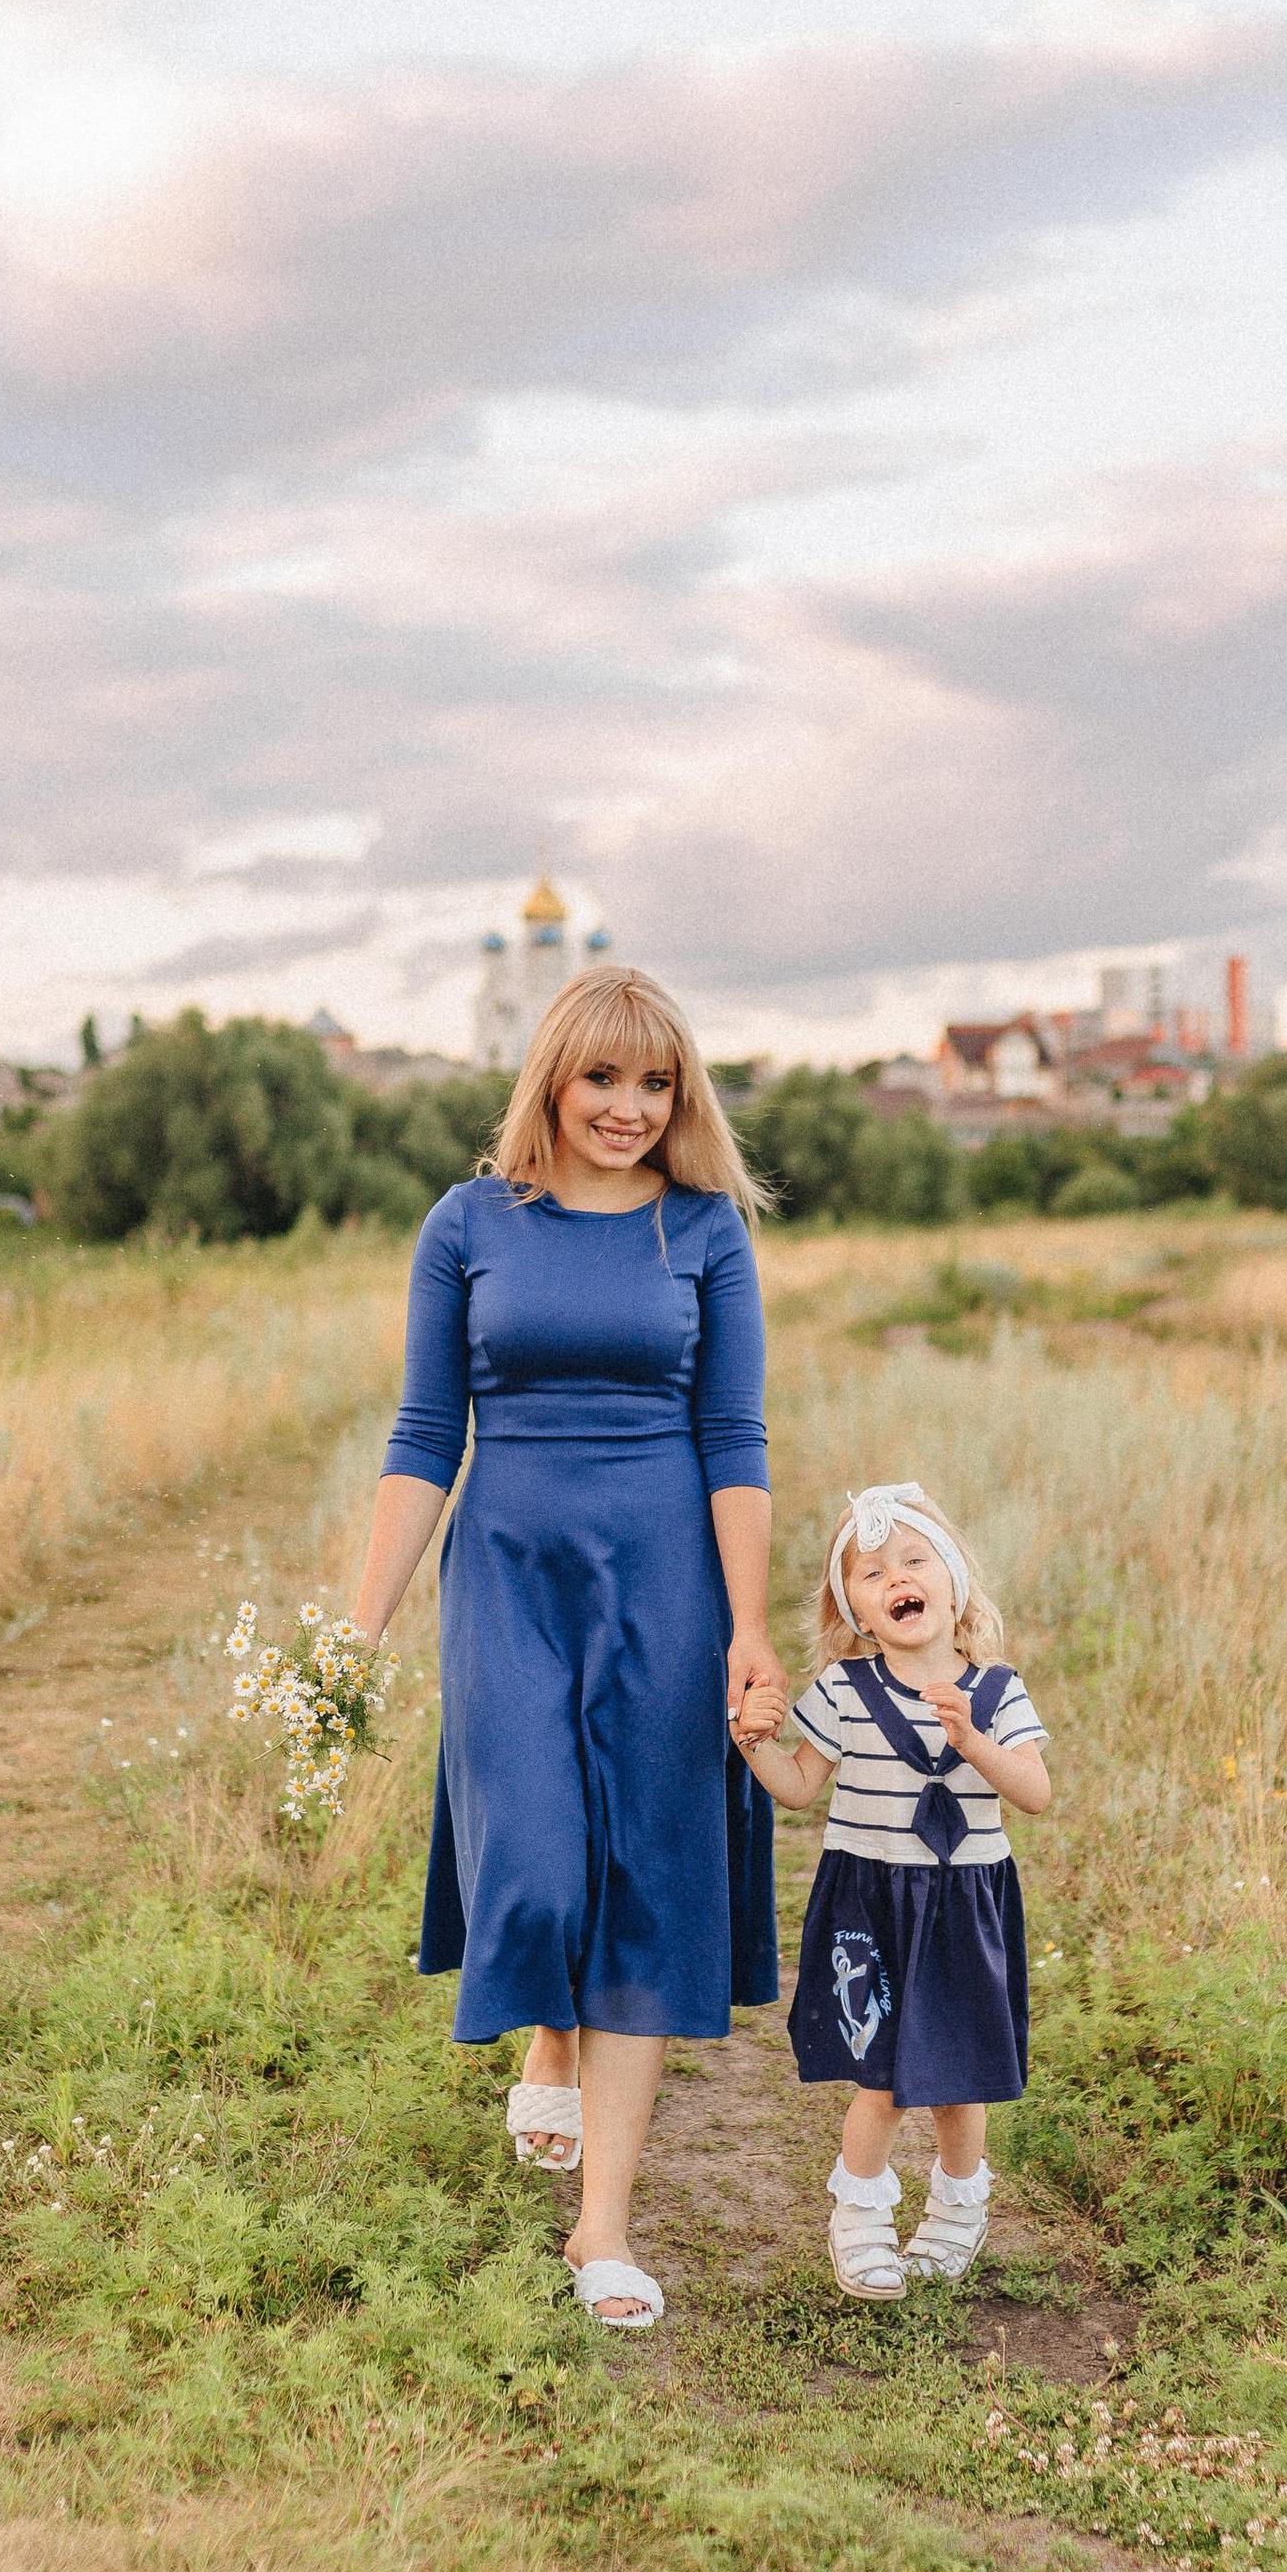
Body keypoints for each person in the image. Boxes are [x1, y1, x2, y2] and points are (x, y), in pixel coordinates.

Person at [350, 963, 784, 2331]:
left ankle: (603, 2228)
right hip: (509, 1576)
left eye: (656, 1084)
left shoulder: (704, 1232)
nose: (629, 1107)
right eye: (603, 1077)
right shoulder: (469, 1222)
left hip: (669, 1577)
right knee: (533, 1857)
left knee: (648, 1884)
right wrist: (353, 1628)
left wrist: (753, 1630)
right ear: (552, 1077)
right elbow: (428, 1434)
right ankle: (546, 2023)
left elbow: (735, 1439)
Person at [733, 1482, 1050, 2299]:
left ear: (952, 1583)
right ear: (859, 1613)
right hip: (870, 1902)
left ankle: (954, 2216)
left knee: (959, 2080)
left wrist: (971, 1741)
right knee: (877, 2076)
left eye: (914, 1560)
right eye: (870, 1573)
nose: (896, 1576)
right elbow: (801, 1787)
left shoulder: (996, 1690)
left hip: (963, 1907)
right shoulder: (845, 1689)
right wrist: (753, 1745)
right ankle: (861, 2222)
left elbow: (1035, 1792)